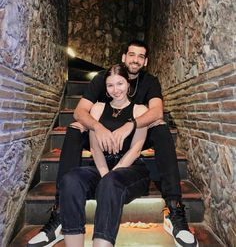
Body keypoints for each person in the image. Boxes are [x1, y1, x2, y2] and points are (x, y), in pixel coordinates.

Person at [27, 40, 198, 247]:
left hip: (135, 137)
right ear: (124, 57)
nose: (135, 59)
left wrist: (131, 125)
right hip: (102, 137)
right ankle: (62, 212)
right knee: (74, 128)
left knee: (161, 128)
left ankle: (174, 209)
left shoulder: (150, 82)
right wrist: (98, 127)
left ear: (145, 62)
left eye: (140, 56)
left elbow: (156, 112)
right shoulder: (102, 78)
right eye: (131, 55)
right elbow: (80, 111)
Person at [60, 64, 150, 247]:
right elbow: (95, 148)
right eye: (110, 85)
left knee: (110, 183)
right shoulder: (98, 109)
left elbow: (135, 149)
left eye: (120, 83)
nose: (115, 90)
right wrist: (104, 175)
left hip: (130, 169)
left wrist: (109, 177)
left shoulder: (140, 110)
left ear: (128, 84)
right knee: (70, 180)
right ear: (106, 88)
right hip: (102, 166)